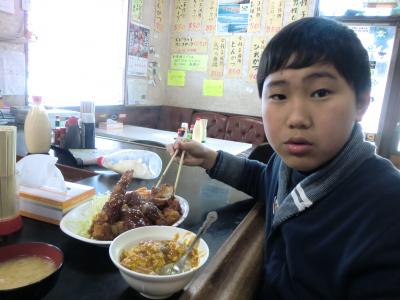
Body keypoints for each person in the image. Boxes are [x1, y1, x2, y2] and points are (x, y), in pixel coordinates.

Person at [167, 17, 400, 299]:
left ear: (361, 102)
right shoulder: (285, 163)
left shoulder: (387, 209)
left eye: (321, 92)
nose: (297, 118)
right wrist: (209, 158)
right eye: (278, 95)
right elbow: (262, 179)